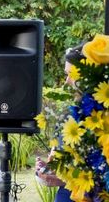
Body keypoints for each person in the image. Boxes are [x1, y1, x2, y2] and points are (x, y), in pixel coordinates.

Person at [34, 42, 86, 202]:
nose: (67, 82)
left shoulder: (107, 120)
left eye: (73, 75)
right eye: (66, 74)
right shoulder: (66, 115)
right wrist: (47, 169)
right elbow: (56, 161)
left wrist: (64, 180)